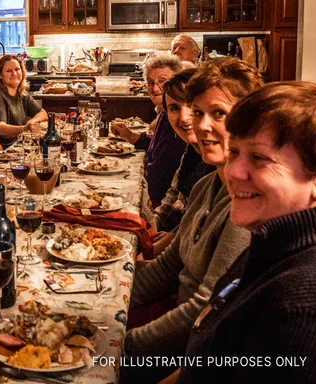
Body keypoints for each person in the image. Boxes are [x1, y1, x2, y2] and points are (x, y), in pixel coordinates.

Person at [176, 82, 316, 383]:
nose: (234, 172)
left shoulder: (314, 310)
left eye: (259, 158)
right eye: (234, 152)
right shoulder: (277, 241)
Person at [122, 58, 264, 383]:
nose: (199, 125)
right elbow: (168, 267)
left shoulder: (245, 206)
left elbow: (206, 309)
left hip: (193, 349)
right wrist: (109, 297)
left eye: (218, 114)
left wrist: (121, 346)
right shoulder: (206, 185)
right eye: (197, 112)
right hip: (177, 325)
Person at [112, 54, 186, 207]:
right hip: (155, 193)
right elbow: (159, 147)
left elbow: (164, 170)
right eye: (150, 82)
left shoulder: (179, 120)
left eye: (162, 82)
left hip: (162, 201)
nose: (155, 88)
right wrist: (131, 136)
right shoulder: (165, 114)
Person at [153, 68, 215, 234]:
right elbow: (174, 195)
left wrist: (173, 237)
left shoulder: (216, 159)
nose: (184, 117)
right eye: (174, 108)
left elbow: (199, 229)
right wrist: (153, 224)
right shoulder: (192, 151)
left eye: (191, 106)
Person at [0, 55, 48, 148]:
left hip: (19, 146)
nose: (14, 73)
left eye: (17, 69)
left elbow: (43, 113)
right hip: (4, 150)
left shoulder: (21, 92)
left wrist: (31, 122)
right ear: (0, 75)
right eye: (8, 71)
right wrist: (25, 128)